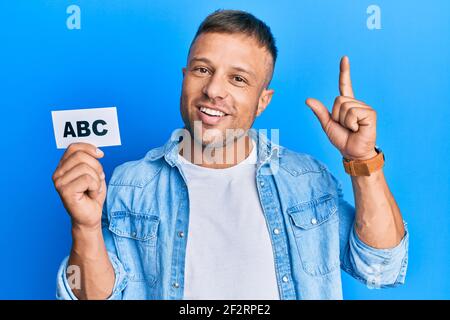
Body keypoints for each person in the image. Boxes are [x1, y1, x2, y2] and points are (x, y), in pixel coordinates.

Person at [53, 9, 408, 300]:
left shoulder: (306, 180)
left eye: (238, 79)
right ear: (185, 77)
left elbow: (380, 267)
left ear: (262, 101)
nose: (213, 90)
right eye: (202, 69)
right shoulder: (131, 184)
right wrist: (84, 226)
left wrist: (364, 163)